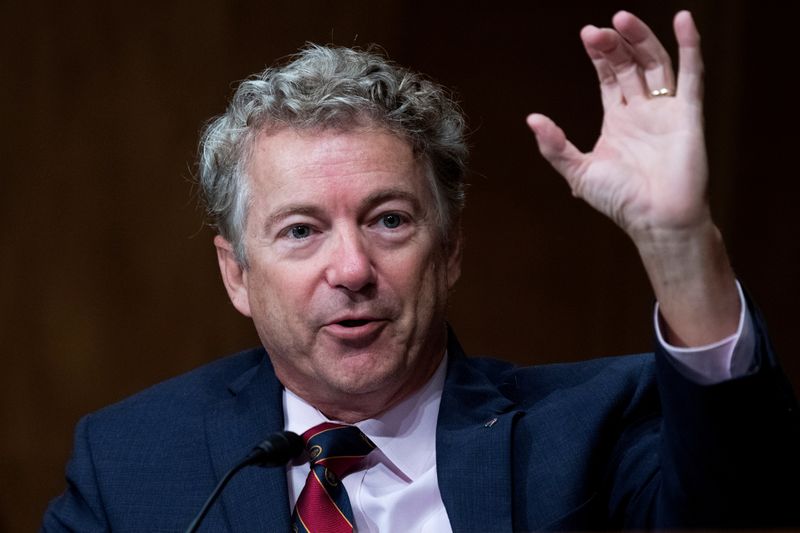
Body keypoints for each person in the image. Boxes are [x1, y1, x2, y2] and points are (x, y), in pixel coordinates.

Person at [43, 10, 799, 532]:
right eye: (302, 230)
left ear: (452, 248)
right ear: (236, 273)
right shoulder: (133, 459)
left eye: (389, 220)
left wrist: (679, 243)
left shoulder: (589, 432)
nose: (352, 268)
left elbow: (743, 502)